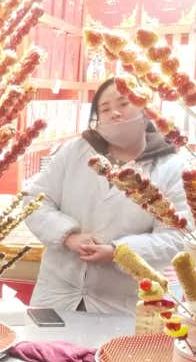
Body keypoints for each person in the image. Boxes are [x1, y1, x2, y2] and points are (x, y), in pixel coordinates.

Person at [24, 77, 187, 315]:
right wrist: (68, 236)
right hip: (57, 291)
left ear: (145, 110)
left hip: (125, 301)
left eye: (123, 104)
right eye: (105, 109)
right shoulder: (75, 151)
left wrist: (118, 252)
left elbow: (177, 237)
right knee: (45, 349)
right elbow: (34, 201)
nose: (115, 114)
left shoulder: (171, 168)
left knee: (113, 351)